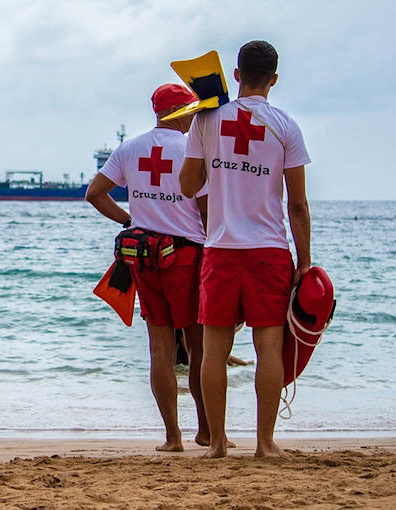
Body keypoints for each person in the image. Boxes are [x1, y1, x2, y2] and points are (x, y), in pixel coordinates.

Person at [179, 40, 312, 458]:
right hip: (270, 249)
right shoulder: (286, 125)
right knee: (268, 347)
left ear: (236, 75)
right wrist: (304, 262)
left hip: (220, 248)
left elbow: (186, 186)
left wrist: (206, 145)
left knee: (214, 350)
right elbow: (297, 203)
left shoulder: (206, 119)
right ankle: (265, 444)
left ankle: (216, 443)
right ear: (273, 79)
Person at [87, 83, 212, 451]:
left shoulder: (130, 148)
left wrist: (129, 220)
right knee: (198, 347)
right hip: (186, 255)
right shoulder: (192, 149)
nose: (195, 116)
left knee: (159, 348)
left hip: (143, 254)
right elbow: (205, 208)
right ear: (180, 112)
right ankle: (205, 431)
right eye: (191, 109)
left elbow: (95, 193)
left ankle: (172, 437)